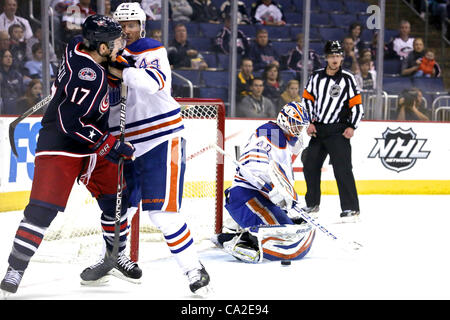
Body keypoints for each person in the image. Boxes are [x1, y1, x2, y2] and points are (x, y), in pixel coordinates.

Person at [0, 14, 140, 295]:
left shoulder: (77, 44)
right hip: (61, 144)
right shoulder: (87, 77)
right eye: (114, 43)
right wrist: (110, 146)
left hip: (90, 142)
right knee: (41, 211)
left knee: (116, 199)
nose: (119, 45)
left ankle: (114, 256)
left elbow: (99, 66)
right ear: (100, 48)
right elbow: (70, 121)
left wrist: (115, 65)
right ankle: (15, 269)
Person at [107, 2, 211, 295]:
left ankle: (193, 269)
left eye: (131, 25)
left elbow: (153, 83)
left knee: (162, 215)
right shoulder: (104, 56)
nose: (126, 31)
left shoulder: (151, 49)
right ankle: (116, 259)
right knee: (117, 209)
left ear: (141, 26)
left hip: (160, 139)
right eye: (121, 25)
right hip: (125, 145)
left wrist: (122, 69)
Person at [212, 102, 315, 263]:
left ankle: (237, 229)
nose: (299, 130)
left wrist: (285, 195)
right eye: (296, 125)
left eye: (301, 126)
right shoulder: (271, 132)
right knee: (284, 237)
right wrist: (273, 189)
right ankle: (233, 239)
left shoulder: (283, 139)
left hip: (259, 197)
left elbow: (279, 175)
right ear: (284, 120)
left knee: (288, 228)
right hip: (246, 196)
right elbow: (254, 166)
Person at [301, 40, 364, 221]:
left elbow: (357, 106)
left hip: (339, 130)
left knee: (343, 169)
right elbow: (307, 101)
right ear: (326, 58)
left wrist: (352, 126)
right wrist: (309, 122)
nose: (335, 59)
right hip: (318, 130)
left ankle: (351, 208)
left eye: (338, 55)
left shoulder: (348, 79)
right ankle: (312, 204)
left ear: (342, 57)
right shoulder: (316, 77)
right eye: (332, 56)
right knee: (310, 164)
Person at [0, 48, 24, 114]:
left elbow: (22, 91)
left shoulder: (17, 75)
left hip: (16, 99)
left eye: (10, 56)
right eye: (5, 56)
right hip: (4, 100)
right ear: (1, 59)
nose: (8, 58)